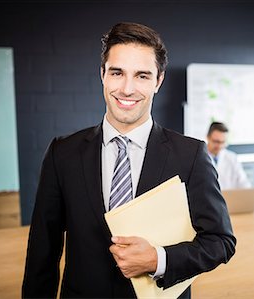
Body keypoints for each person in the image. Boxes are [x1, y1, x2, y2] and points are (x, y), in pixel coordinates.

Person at [22, 22, 236, 298]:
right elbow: (43, 250)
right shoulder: (62, 153)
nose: (127, 88)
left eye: (142, 76)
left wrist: (159, 260)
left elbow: (221, 242)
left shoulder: (191, 155)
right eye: (117, 72)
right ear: (102, 75)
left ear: (158, 81)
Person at [206, 122, 251, 190]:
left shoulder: (232, 158)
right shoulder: (199, 158)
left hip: (230, 199)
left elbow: (243, 183)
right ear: (208, 137)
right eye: (216, 141)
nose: (219, 146)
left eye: (223, 142)